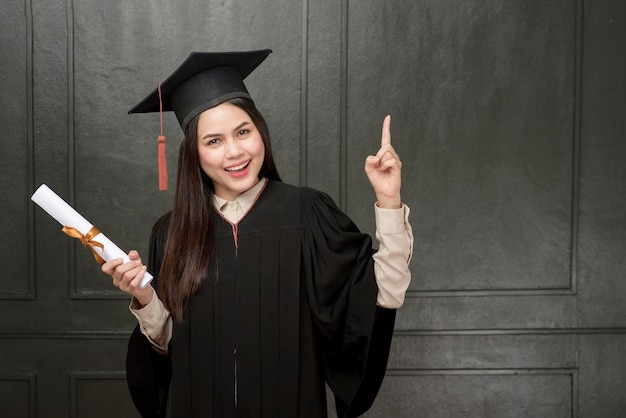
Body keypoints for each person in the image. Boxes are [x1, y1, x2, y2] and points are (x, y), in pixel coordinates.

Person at [102, 49, 413, 418]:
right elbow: (172, 348)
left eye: (243, 132)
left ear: (260, 130)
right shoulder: (171, 233)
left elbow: (378, 297)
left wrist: (389, 202)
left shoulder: (307, 214)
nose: (235, 152)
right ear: (194, 154)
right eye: (213, 141)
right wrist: (143, 296)